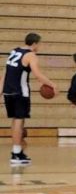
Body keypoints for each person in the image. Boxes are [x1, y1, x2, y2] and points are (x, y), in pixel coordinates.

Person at [3, 33, 58, 166]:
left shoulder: (14, 51)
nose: (39, 46)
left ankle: (18, 151)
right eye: (39, 44)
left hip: (8, 91)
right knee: (18, 121)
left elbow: (5, 72)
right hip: (20, 92)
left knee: (16, 121)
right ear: (34, 44)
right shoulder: (31, 55)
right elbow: (38, 75)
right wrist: (53, 85)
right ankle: (16, 154)